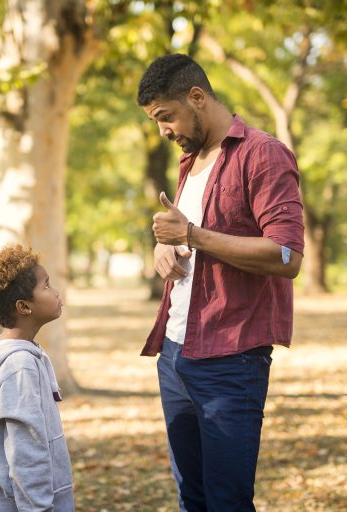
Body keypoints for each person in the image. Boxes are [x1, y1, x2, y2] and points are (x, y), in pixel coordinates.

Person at [137, 54, 305, 511]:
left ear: (197, 97)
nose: (164, 132)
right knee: (192, 497)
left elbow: (287, 256)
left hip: (231, 359)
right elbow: (194, 243)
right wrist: (165, 250)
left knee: (227, 501)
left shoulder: (262, 154)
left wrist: (191, 234)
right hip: (174, 353)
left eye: (165, 117)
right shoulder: (190, 161)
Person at [0, 245, 74, 511]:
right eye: (46, 286)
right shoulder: (19, 367)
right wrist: (39, 508)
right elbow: (27, 450)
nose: (56, 291)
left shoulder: (25, 355)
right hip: (23, 502)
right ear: (24, 306)